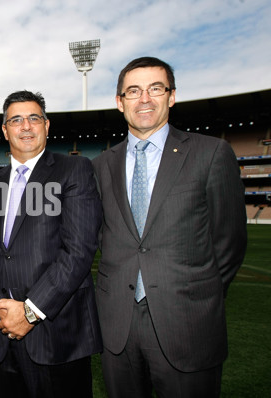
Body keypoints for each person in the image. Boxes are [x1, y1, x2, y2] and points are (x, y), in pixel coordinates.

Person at [92, 56, 247, 397]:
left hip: (187, 321)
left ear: (171, 96)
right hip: (118, 324)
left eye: (155, 88)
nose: (144, 98)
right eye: (133, 91)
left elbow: (230, 241)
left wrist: (196, 294)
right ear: (120, 102)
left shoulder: (211, 153)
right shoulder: (101, 165)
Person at [0, 90, 103, 397]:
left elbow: (78, 250)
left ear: (46, 125)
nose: (25, 126)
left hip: (57, 335)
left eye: (33, 118)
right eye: (16, 119)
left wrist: (29, 312)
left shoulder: (75, 171)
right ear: (4, 130)